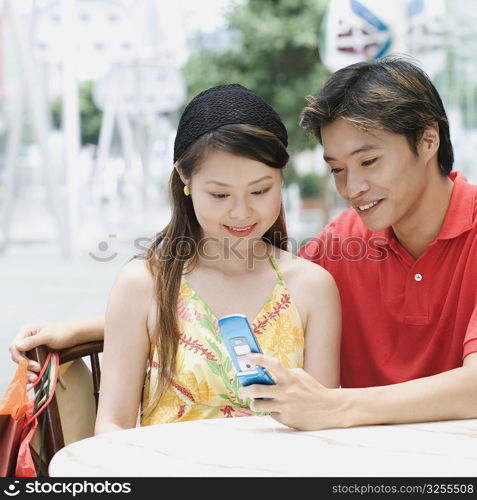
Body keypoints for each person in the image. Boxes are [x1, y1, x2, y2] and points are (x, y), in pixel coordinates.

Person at [12, 56, 477, 432]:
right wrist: (91, 331)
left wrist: (337, 409)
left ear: (428, 140)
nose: (351, 187)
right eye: (336, 168)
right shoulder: (346, 242)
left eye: (369, 161)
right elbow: (237, 296)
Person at [10, 84, 341, 433]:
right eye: (219, 193)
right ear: (185, 177)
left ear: (281, 178)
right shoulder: (144, 283)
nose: (242, 211)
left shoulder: (312, 287)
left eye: (260, 190)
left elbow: (319, 423)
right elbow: (112, 425)